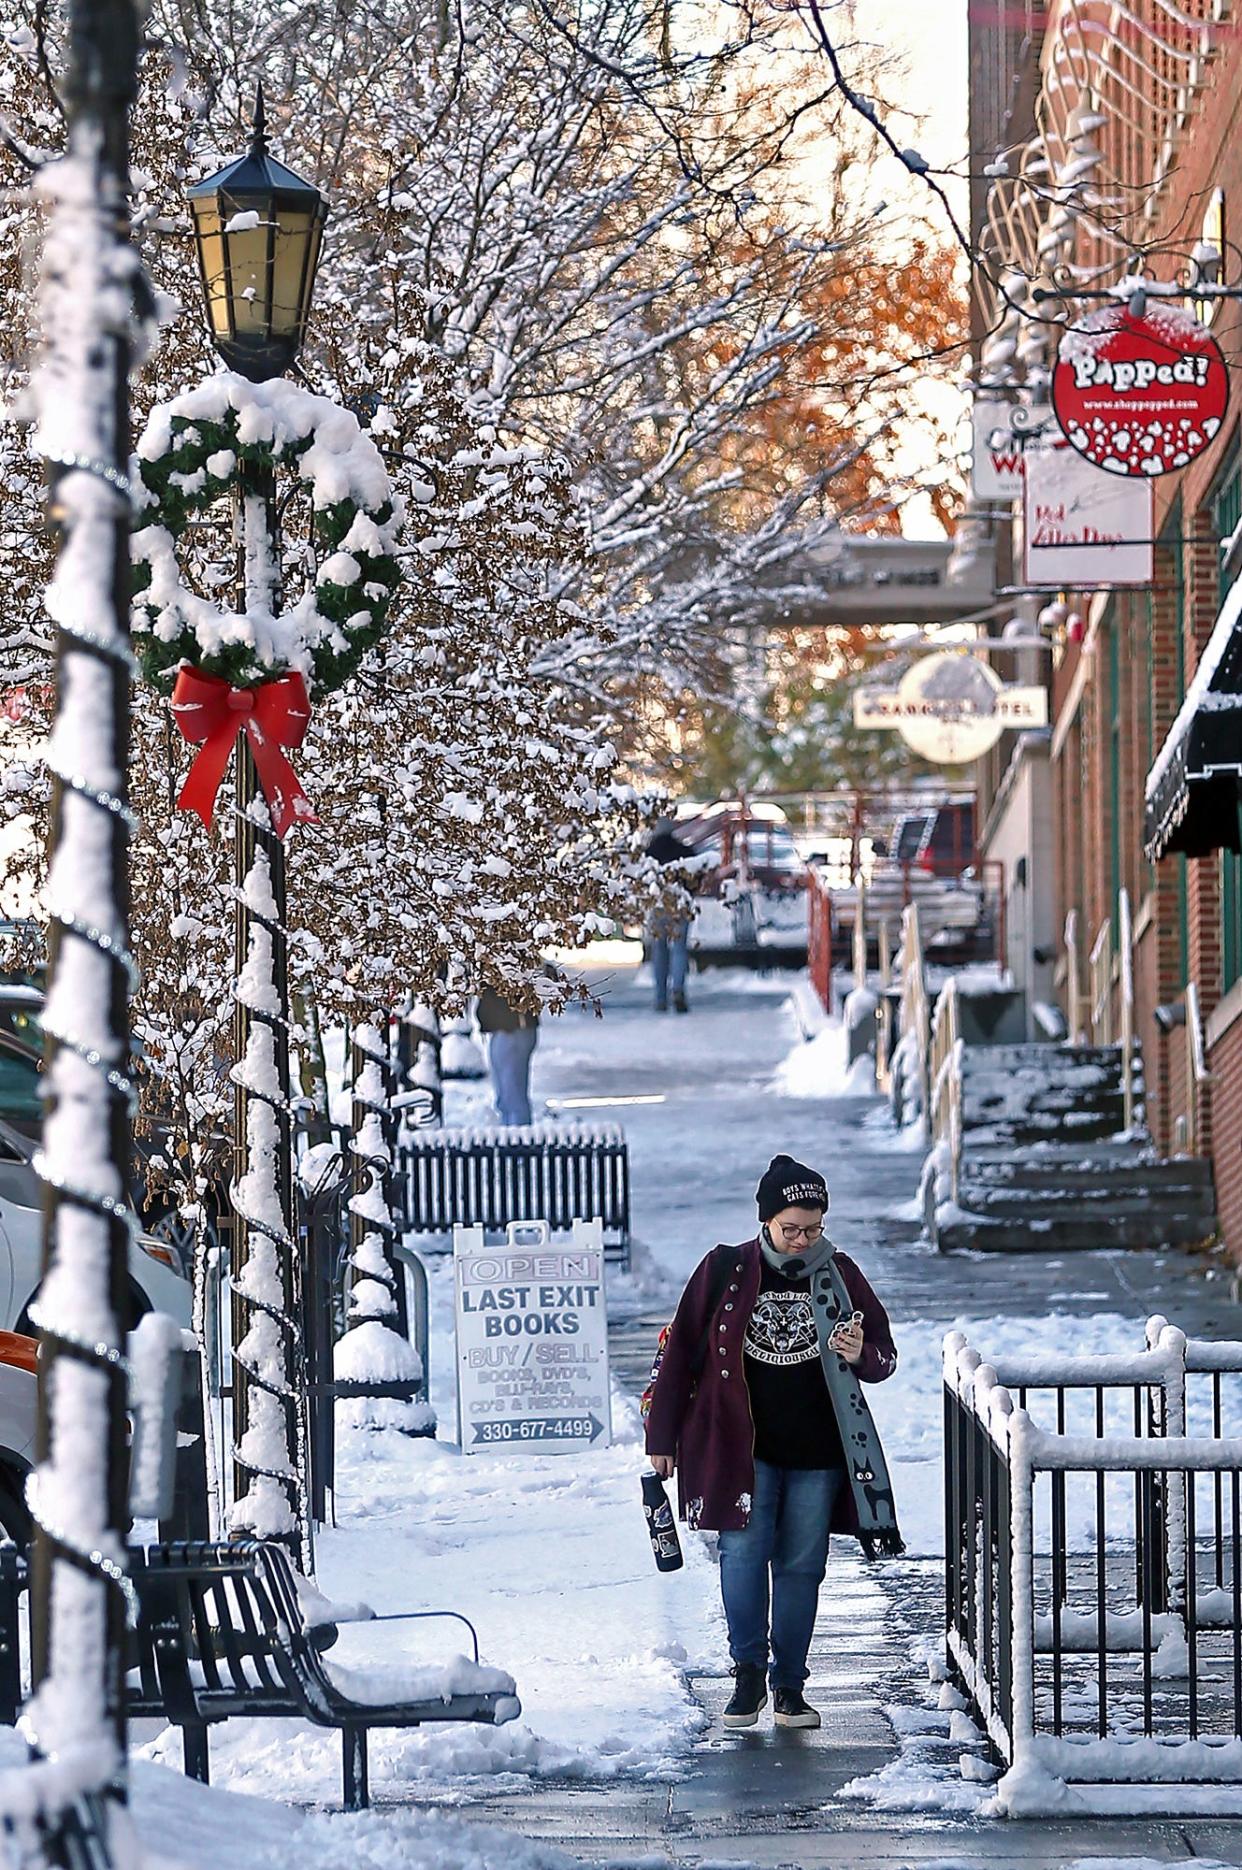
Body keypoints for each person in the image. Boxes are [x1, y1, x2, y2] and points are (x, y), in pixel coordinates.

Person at [644, 1154, 901, 1732]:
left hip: (818, 1454)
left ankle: (789, 1686)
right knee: (741, 1556)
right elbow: (681, 1352)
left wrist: (860, 1352)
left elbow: (884, 1356)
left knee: (802, 1566)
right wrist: (661, 1435)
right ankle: (747, 1675)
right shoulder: (723, 1269)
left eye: (814, 1228)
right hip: (743, 1451)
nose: (803, 1240)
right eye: (792, 1229)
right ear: (766, 1221)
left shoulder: (840, 1273)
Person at [646, 817, 696, 1014]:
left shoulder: (648, 854)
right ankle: (678, 989)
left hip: (657, 905)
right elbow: (695, 874)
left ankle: (660, 997)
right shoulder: (683, 851)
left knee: (659, 949)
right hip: (679, 903)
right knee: (679, 948)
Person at [476, 986, 540, 1127]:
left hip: (512, 1027)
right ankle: (513, 1136)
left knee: (512, 1096)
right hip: (505, 1027)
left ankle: (518, 1140)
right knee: (506, 1096)